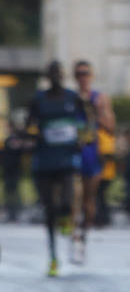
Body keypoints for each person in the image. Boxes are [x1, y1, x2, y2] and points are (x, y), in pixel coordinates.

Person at [25, 61, 85, 276]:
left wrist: (82, 135)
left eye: (59, 73)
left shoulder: (72, 97)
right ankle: (53, 257)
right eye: (52, 74)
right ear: (47, 76)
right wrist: (34, 134)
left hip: (67, 158)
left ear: (63, 75)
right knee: (49, 207)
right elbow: (28, 124)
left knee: (67, 201)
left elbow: (85, 120)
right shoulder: (38, 99)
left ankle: (66, 217)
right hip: (44, 160)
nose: (56, 77)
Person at [70, 60, 116, 263]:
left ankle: (84, 234)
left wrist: (98, 112)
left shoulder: (100, 98)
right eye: (79, 74)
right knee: (74, 197)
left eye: (86, 73)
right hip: (73, 153)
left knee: (89, 200)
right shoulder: (69, 98)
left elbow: (111, 127)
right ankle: (74, 238)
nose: (83, 77)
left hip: (92, 153)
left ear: (92, 76)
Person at [2, 111, 26, 222]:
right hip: (8, 169)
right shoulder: (7, 140)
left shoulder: (17, 138)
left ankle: (15, 211)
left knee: (14, 190)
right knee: (9, 190)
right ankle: (11, 211)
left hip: (15, 168)